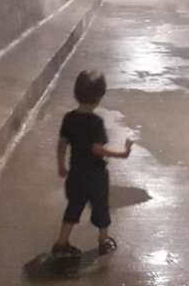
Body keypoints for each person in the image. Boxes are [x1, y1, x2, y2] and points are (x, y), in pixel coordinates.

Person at [52, 70, 134, 257]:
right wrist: (122, 154)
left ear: (76, 93)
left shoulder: (69, 118)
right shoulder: (95, 122)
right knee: (101, 208)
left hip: (75, 174)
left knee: (73, 207)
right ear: (99, 96)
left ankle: (61, 243)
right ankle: (103, 241)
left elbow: (62, 143)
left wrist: (61, 166)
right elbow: (97, 149)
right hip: (95, 176)